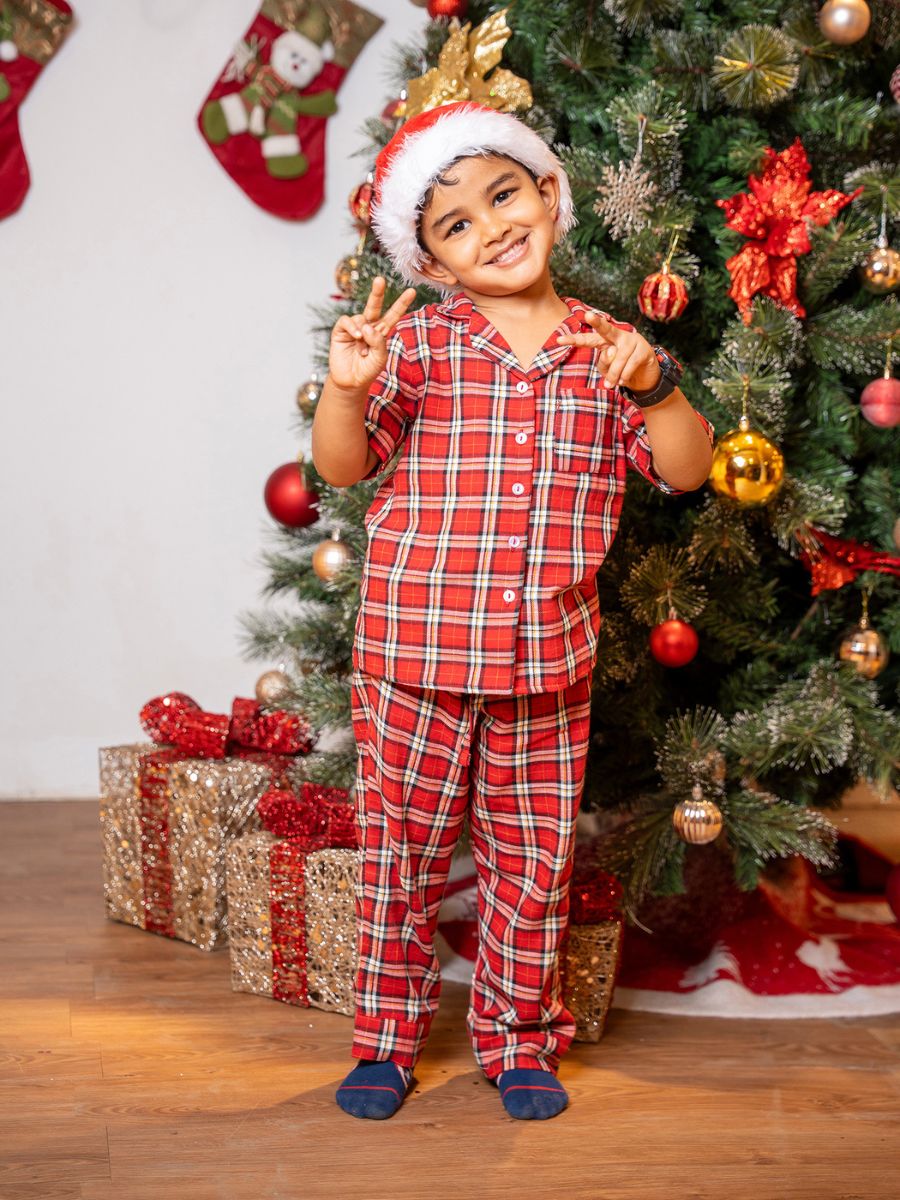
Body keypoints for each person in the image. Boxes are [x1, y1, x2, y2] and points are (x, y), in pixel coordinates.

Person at [311, 101, 715, 1121]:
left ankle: (518, 1037)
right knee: (400, 854)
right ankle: (386, 1040)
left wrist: (661, 388)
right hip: (414, 653)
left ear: (548, 193)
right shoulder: (420, 347)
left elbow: (685, 471)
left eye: (503, 193)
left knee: (531, 861)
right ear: (435, 264)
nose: (490, 225)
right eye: (455, 222)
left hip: (546, 662)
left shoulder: (612, 347)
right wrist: (347, 392)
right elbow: (345, 467)